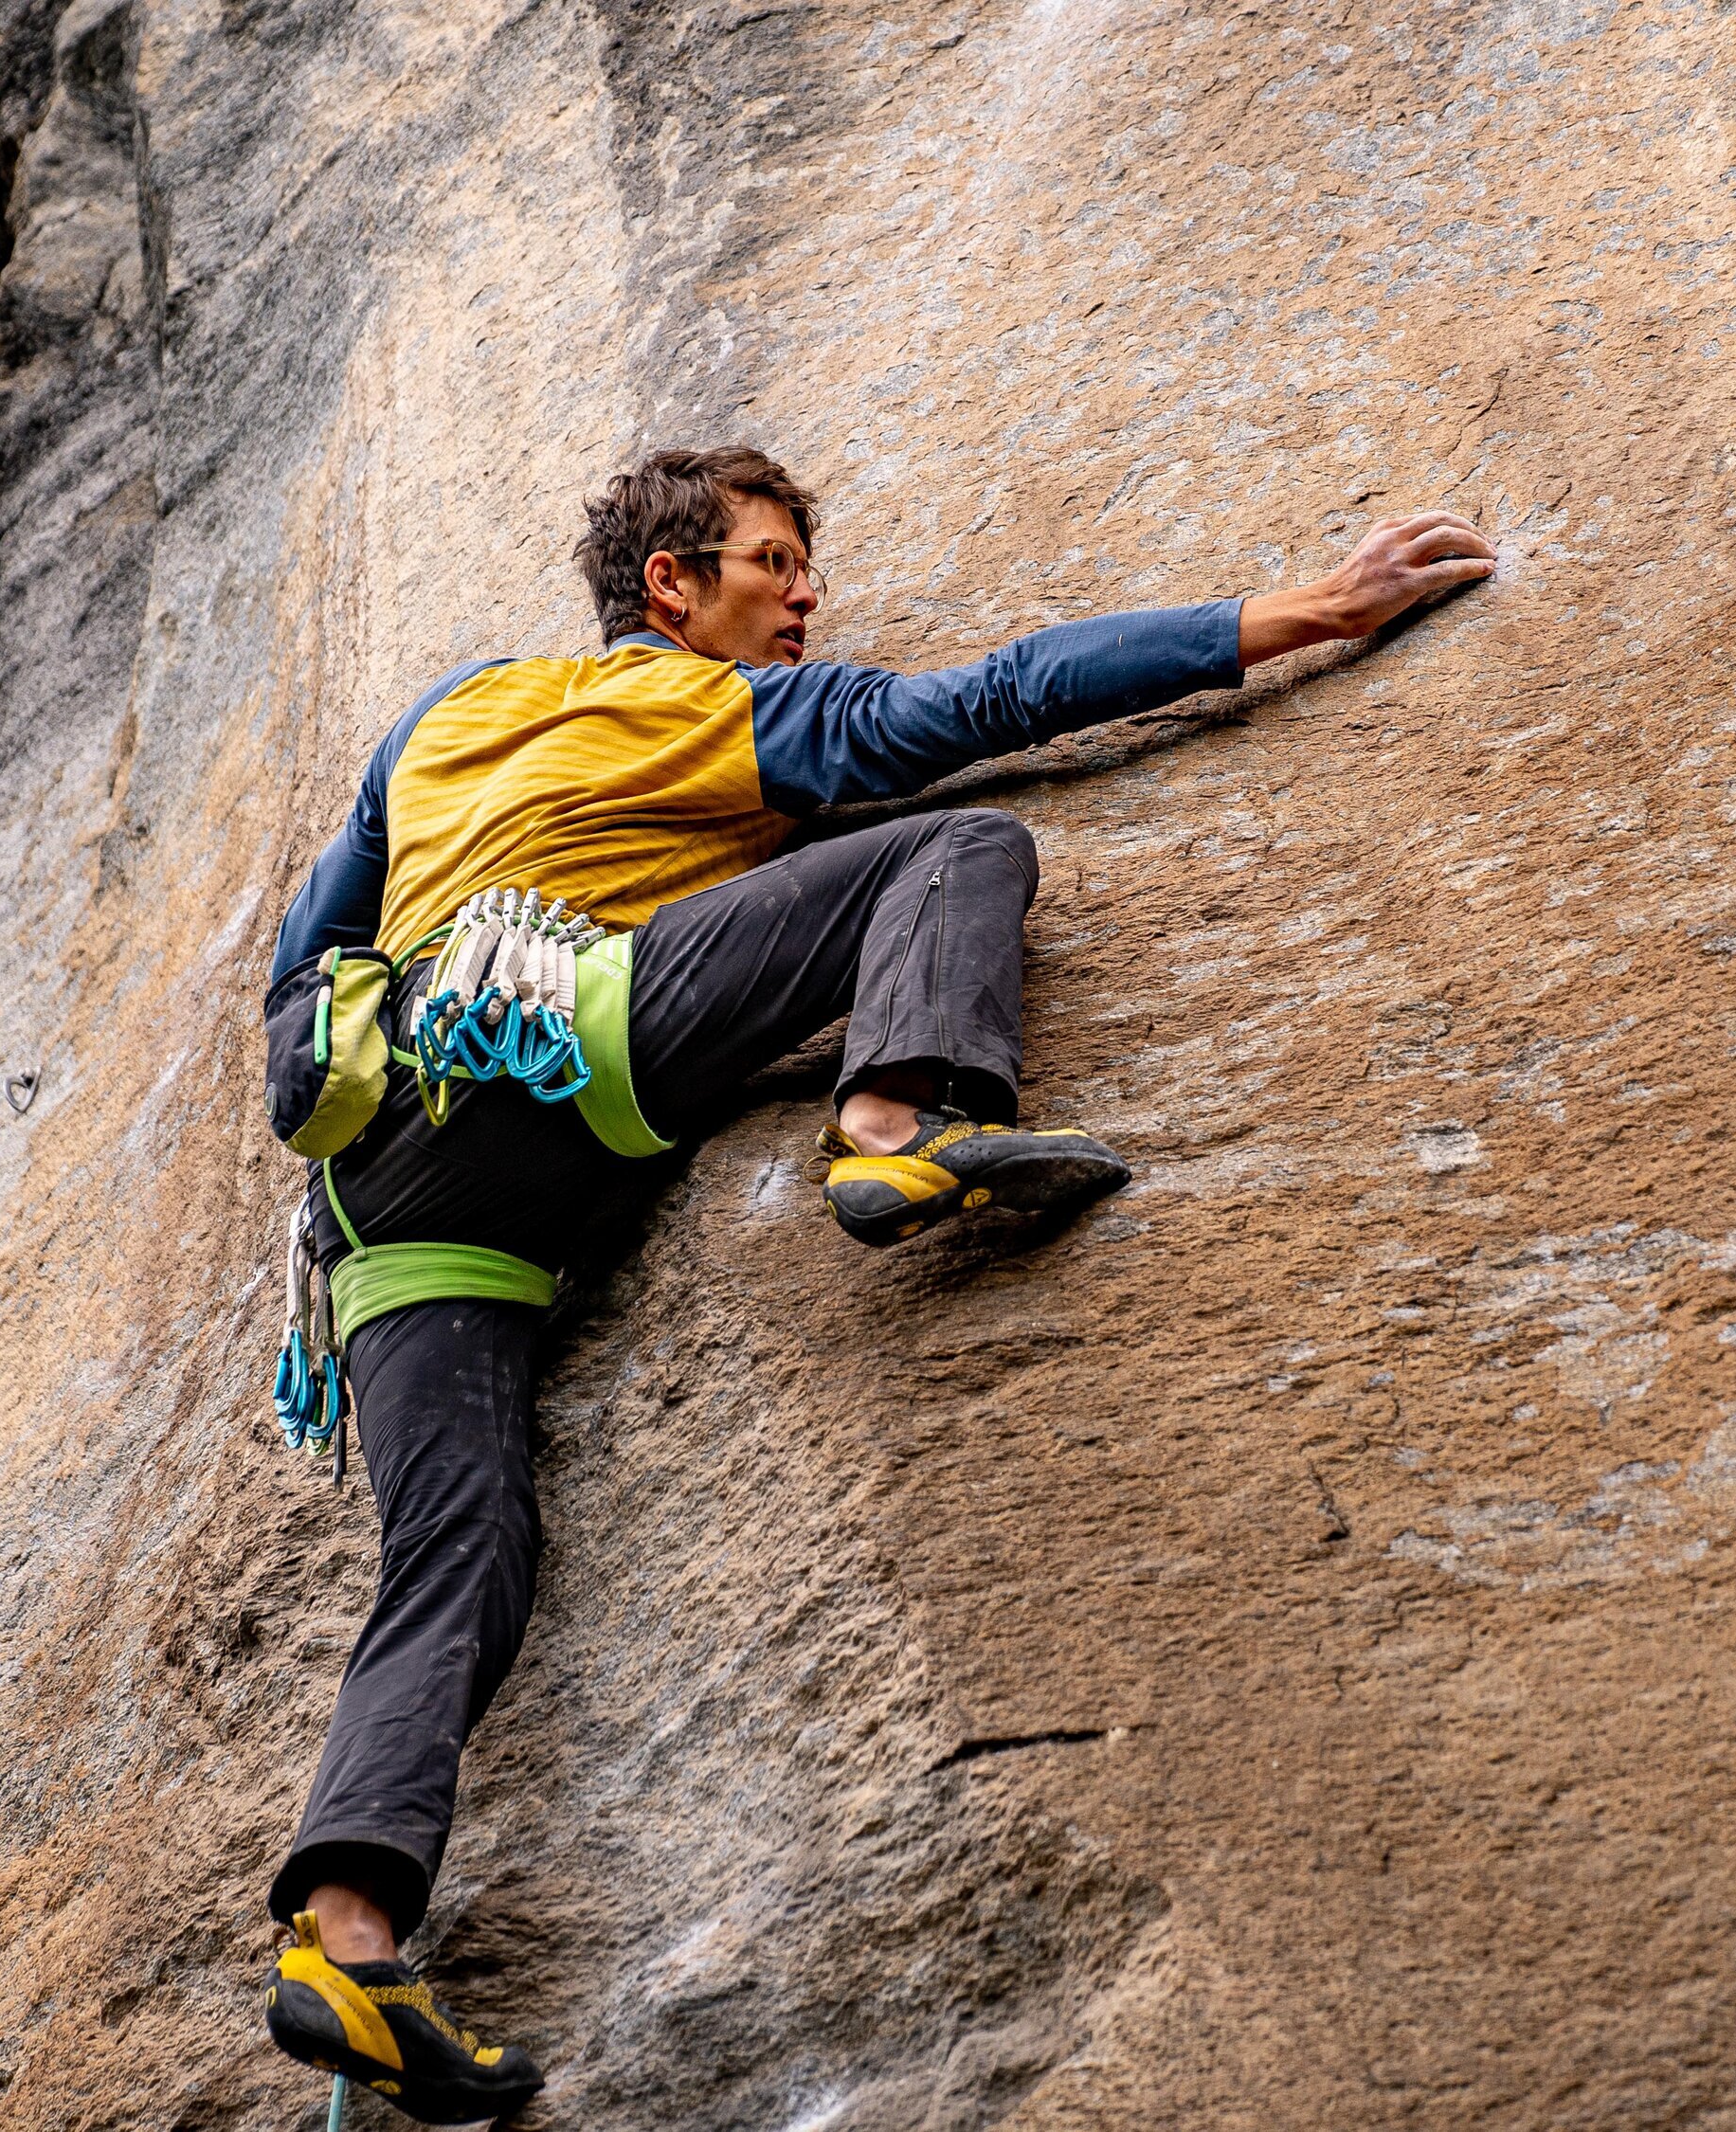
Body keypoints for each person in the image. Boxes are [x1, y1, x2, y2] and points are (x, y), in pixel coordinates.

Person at [254, 446, 1492, 2121]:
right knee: (952, 847)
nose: (809, 596)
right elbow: (999, 699)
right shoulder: (711, 712)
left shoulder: (440, 723)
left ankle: (347, 1939)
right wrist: (1306, 610)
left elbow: (315, 931)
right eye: (774, 564)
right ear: (672, 591)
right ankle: (898, 1127)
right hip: (569, 1039)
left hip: (384, 1182)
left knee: (459, 1545)